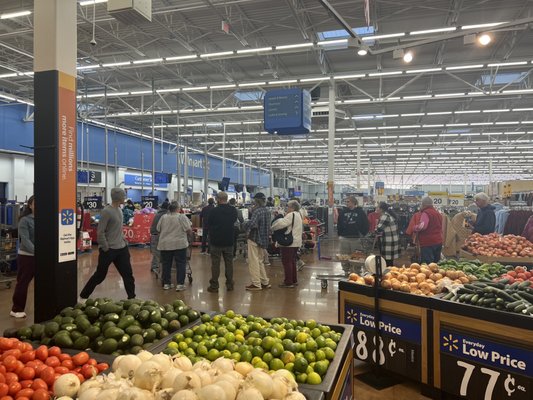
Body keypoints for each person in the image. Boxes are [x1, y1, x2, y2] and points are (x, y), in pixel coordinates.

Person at [80, 188, 136, 301]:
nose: (125, 198)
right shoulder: (106, 211)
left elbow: (118, 229)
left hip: (121, 248)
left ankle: (132, 298)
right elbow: (100, 231)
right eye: (123, 196)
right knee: (100, 275)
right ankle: (83, 296)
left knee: (128, 275)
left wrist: (124, 241)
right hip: (109, 249)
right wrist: (105, 247)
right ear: (118, 198)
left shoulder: (120, 210)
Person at [157, 201, 193, 291]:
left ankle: (167, 284)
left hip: (165, 244)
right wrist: (190, 235)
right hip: (179, 244)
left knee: (166, 264)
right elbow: (189, 230)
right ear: (178, 208)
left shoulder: (163, 217)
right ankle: (180, 284)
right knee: (180, 263)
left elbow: (158, 229)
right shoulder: (182, 217)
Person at [207, 192, 238, 292]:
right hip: (229, 240)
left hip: (216, 241)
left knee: (215, 264)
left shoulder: (213, 211)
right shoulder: (233, 210)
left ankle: (214, 286)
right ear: (226, 199)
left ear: (218, 199)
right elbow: (234, 221)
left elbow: (209, 223)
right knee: (229, 263)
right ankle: (230, 284)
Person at [10, 196, 35, 318]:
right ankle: (16, 309)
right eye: (35, 203)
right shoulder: (25, 220)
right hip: (27, 257)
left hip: (42, 257)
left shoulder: (45, 219)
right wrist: (38, 253)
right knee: (23, 283)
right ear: (30, 205)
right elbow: (25, 240)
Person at [243, 192, 272, 291]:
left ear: (256, 201)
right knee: (260, 261)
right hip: (263, 239)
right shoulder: (268, 211)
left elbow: (252, 224)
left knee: (253, 261)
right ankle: (264, 282)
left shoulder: (257, 211)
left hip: (255, 238)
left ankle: (256, 284)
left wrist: (245, 222)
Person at [272, 200, 303, 288]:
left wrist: (279, 216)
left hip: (289, 243)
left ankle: (288, 282)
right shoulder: (298, 214)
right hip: (296, 242)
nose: (287, 208)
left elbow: (279, 225)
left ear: (292, 207)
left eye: (288, 206)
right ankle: (293, 280)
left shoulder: (291, 215)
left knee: (286, 261)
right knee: (292, 261)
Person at [335, 196, 369, 271]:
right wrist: (340, 234)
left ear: (353, 202)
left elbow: (366, 223)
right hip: (344, 238)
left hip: (356, 238)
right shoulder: (342, 212)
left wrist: (363, 234)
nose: (346, 203)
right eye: (346, 202)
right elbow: (339, 224)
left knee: (357, 257)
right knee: (344, 256)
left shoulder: (360, 212)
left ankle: (357, 271)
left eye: (348, 201)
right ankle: (346, 270)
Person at [415, 197, 443, 264]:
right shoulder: (438, 213)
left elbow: (422, 226)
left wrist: (415, 227)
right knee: (436, 263)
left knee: (427, 264)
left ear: (423, 204)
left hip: (428, 242)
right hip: (438, 241)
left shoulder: (426, 213)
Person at [375, 202, 401, 267]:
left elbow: (379, 229)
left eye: (377, 207)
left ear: (381, 209)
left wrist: (375, 227)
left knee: (387, 262)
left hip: (388, 242)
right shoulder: (389, 215)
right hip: (393, 240)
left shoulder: (384, 216)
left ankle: (388, 275)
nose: (376, 208)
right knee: (390, 261)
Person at [149, 201, 169, 273]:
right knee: (162, 253)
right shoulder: (166, 215)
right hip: (160, 235)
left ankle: (154, 266)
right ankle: (162, 268)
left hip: (153, 235)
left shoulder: (158, 213)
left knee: (156, 252)